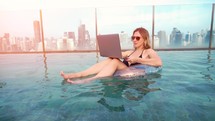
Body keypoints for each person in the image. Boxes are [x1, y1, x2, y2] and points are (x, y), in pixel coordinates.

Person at [60, 27, 162, 84]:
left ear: (144, 39)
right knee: (111, 59)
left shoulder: (148, 51)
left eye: (138, 38)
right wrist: (110, 51)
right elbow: (118, 54)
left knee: (115, 61)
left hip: (135, 73)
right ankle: (78, 75)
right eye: (133, 37)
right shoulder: (130, 52)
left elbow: (158, 62)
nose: (134, 40)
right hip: (125, 71)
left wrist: (138, 60)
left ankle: (88, 80)